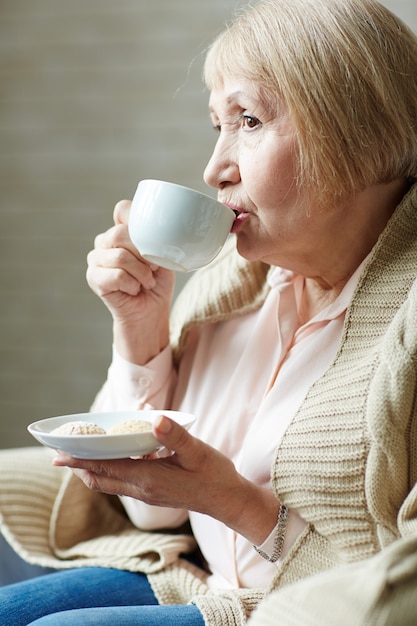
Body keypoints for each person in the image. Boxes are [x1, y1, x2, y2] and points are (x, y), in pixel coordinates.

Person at [0, 0, 417, 624]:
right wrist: (140, 333)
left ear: (356, 130)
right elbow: (152, 513)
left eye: (248, 121)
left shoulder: (403, 321)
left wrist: (231, 501)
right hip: (196, 582)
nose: (213, 169)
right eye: (215, 126)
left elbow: (388, 593)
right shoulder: (232, 282)